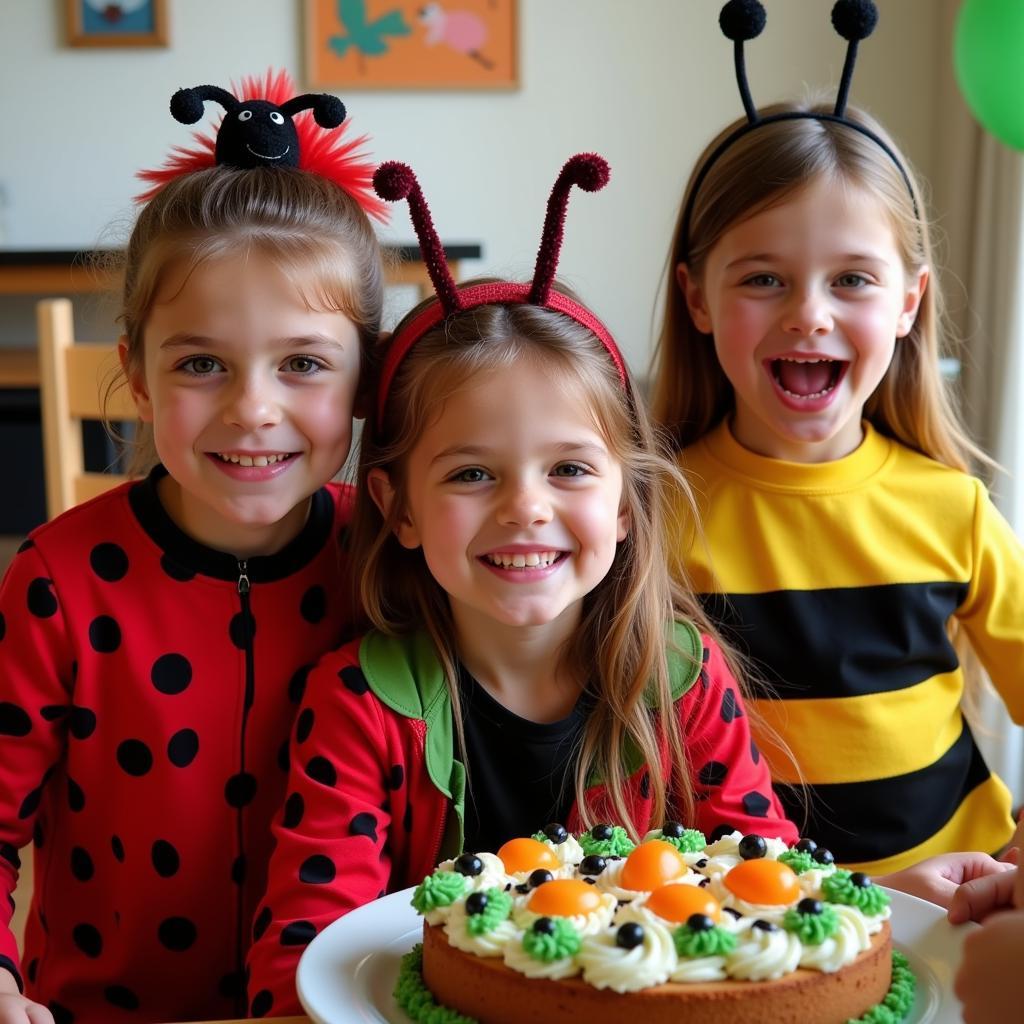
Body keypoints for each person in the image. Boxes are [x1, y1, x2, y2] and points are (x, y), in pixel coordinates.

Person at [244, 153, 799, 1016]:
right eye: (471, 475)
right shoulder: (359, 704)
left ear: (625, 503)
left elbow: (773, 892)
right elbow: (304, 960)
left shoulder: (680, 680)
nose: (526, 510)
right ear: (398, 508)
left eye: (571, 468)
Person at [0, 71, 386, 1024]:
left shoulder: (389, 563)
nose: (253, 407)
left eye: (302, 363)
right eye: (201, 363)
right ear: (135, 371)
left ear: (367, 378)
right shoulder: (57, 582)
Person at [651, 0, 1024, 877]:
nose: (808, 314)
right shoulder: (657, 513)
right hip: (752, 922)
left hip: (951, 904)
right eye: (764, 278)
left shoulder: (954, 510)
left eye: (852, 278)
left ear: (907, 301)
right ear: (698, 299)